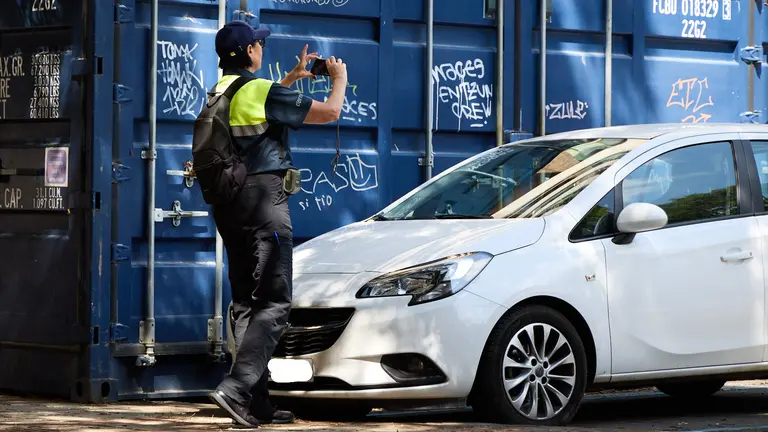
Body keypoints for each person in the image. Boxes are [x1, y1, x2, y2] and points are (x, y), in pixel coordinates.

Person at [207, 18, 348, 428]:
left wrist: (292, 78)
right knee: (275, 302)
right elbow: (331, 112)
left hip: (228, 204)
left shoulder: (220, 91)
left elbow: (259, 115)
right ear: (251, 52)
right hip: (263, 201)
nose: (262, 49)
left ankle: (256, 404)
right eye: (259, 45)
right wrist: (337, 78)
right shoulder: (260, 91)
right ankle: (235, 388)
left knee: (245, 303)